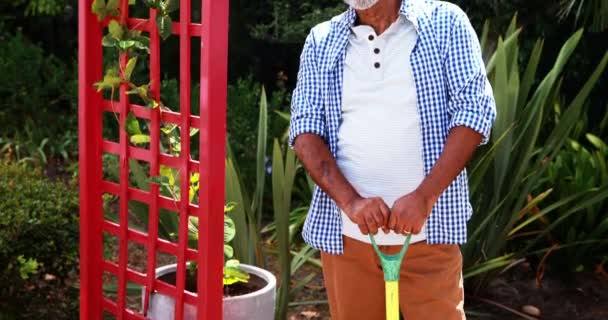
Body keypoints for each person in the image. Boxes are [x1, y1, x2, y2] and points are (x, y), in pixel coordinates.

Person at [288, 0, 496, 319]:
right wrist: (352, 202)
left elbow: (474, 110)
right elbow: (304, 129)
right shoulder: (322, 40)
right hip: (348, 241)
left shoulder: (445, 23)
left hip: (429, 235)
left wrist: (424, 198)